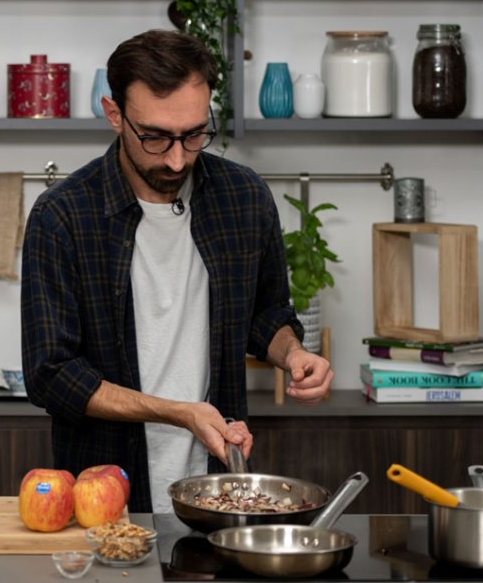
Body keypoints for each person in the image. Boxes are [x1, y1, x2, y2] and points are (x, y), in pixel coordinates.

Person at [21, 29, 334, 513]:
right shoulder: (62, 215)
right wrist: (179, 413)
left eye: (193, 134)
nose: (176, 157)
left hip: (222, 488)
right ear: (114, 115)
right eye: (155, 136)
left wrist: (293, 354)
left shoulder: (244, 197)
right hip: (106, 494)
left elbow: (265, 315)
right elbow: (52, 375)